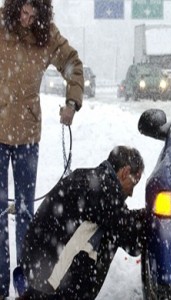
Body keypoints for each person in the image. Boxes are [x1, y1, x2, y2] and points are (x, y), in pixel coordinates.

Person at [0, 0, 84, 298]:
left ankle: (24, 284)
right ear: (13, 8)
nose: (26, 18)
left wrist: (72, 103)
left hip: (26, 135)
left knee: (26, 213)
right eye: (22, 12)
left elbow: (72, 63)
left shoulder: (46, 35)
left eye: (33, 14)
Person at [18, 145, 145, 299]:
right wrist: (152, 216)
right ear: (125, 172)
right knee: (110, 234)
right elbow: (131, 241)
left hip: (35, 260)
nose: (131, 193)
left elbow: (121, 219)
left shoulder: (90, 177)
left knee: (108, 228)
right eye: (133, 184)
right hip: (47, 273)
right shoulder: (104, 191)